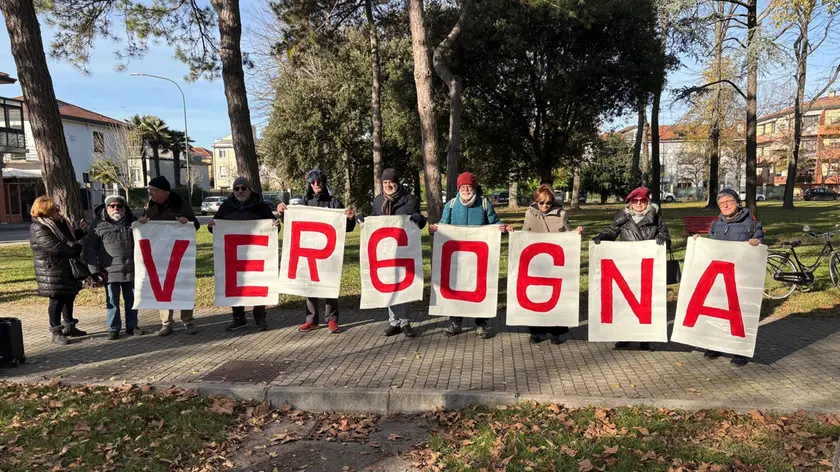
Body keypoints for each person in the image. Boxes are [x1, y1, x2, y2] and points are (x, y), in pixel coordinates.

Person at [429, 172, 514, 339]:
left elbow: (494, 221)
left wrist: (503, 228)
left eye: (469, 187)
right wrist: (436, 229)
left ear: (474, 188)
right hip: (457, 257)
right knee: (456, 288)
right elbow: (444, 224)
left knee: (481, 286)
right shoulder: (451, 205)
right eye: (463, 187)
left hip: (479, 256)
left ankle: (481, 325)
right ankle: (456, 323)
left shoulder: (483, 203)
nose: (466, 189)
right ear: (458, 188)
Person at [277, 169, 356, 334]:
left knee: (329, 285)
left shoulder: (335, 203)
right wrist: (283, 214)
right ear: (309, 184)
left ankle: (332, 319)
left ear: (324, 182)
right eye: (312, 182)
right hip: (310, 251)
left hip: (328, 252)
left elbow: (346, 229)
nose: (316, 184)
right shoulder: (305, 204)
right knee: (310, 285)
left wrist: (350, 218)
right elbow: (294, 224)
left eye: (318, 181)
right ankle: (311, 320)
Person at [593, 186, 670, 351]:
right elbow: (612, 231)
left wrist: (663, 237)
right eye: (635, 201)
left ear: (647, 202)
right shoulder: (622, 218)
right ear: (630, 203)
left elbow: (666, 236)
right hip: (627, 267)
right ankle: (625, 335)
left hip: (647, 268)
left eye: (642, 200)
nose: (639, 203)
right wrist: (602, 237)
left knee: (646, 302)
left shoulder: (656, 218)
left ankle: (645, 338)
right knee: (625, 302)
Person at [693, 188, 764, 367]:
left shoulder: (752, 224)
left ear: (737, 203)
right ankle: (715, 345)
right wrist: (699, 242)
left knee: (738, 313)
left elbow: (761, 246)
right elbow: (710, 246)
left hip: (741, 276)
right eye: (722, 204)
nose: (725, 206)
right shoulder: (716, 224)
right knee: (718, 312)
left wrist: (757, 243)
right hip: (719, 277)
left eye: (729, 202)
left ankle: (739, 351)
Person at [208, 177, 280, 332]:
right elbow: (216, 226)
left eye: (243, 188)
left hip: (255, 253)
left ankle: (260, 318)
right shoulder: (227, 207)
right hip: (235, 254)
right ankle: (239, 318)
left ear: (249, 190)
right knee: (235, 285)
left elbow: (272, 228)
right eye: (236, 189)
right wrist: (211, 226)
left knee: (256, 283)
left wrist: (275, 226)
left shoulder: (260, 206)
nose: (240, 191)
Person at [521, 184, 584, 344]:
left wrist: (576, 233)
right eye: (541, 203)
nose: (544, 206)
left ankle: (556, 331)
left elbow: (567, 236)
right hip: (537, 262)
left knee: (556, 296)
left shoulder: (561, 214)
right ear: (536, 201)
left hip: (556, 261)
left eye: (548, 203)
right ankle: (537, 331)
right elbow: (523, 236)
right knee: (537, 296)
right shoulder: (529, 214)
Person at [138, 176, 201, 337]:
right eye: (149, 191)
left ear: (164, 192)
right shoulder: (150, 206)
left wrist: (186, 221)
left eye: (153, 191)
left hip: (178, 253)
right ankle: (166, 323)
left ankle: (188, 320)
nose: (150, 194)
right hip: (159, 254)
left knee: (183, 284)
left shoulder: (180, 203)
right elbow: (146, 225)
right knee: (162, 287)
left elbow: (195, 224)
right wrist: (142, 223)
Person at [369, 168, 426, 339]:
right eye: (385, 182)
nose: (388, 185)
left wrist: (419, 218)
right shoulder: (378, 201)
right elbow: (374, 219)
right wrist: (363, 221)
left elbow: (420, 221)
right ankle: (393, 321)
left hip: (404, 249)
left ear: (397, 182)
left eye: (391, 182)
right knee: (390, 285)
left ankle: (405, 322)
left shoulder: (410, 200)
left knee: (404, 284)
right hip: (385, 250)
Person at [29, 196, 89, 345]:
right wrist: (76, 248)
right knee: (56, 300)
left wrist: (79, 232)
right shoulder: (39, 227)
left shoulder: (59, 223)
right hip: (51, 269)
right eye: (54, 209)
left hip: (65, 267)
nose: (58, 211)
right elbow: (57, 248)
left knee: (69, 296)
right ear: (45, 212)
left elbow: (67, 238)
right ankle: (56, 332)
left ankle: (69, 326)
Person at [84, 195, 143, 340]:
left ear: (124, 207)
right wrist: (94, 270)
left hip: (131, 269)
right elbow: (90, 248)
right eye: (112, 206)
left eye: (119, 206)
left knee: (132, 300)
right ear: (106, 208)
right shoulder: (97, 225)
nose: (116, 209)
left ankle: (132, 325)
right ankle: (114, 328)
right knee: (112, 302)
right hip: (109, 271)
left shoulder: (134, 223)